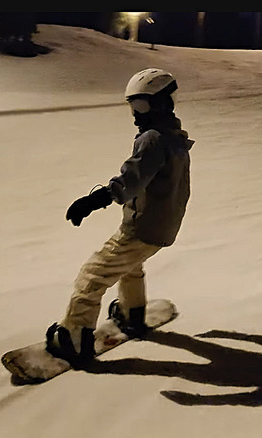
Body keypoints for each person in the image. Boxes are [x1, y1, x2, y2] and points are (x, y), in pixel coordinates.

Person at [45, 68, 195, 367]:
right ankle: (132, 312)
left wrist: (94, 200)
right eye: (132, 107)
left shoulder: (153, 139)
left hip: (143, 226)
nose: (136, 114)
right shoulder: (175, 137)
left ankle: (74, 338)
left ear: (162, 103)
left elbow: (132, 180)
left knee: (94, 274)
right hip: (164, 224)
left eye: (141, 106)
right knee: (130, 265)